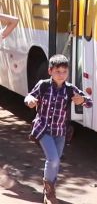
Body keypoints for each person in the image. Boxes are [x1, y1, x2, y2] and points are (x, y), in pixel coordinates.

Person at [24, 54, 92, 204]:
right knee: (53, 159)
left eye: (64, 72)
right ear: (50, 71)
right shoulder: (43, 85)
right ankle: (49, 194)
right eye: (57, 71)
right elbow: (29, 96)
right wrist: (30, 101)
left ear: (68, 72)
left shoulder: (69, 89)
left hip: (60, 132)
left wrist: (83, 101)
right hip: (43, 129)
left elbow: (89, 102)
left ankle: (49, 189)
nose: (61, 75)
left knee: (56, 161)